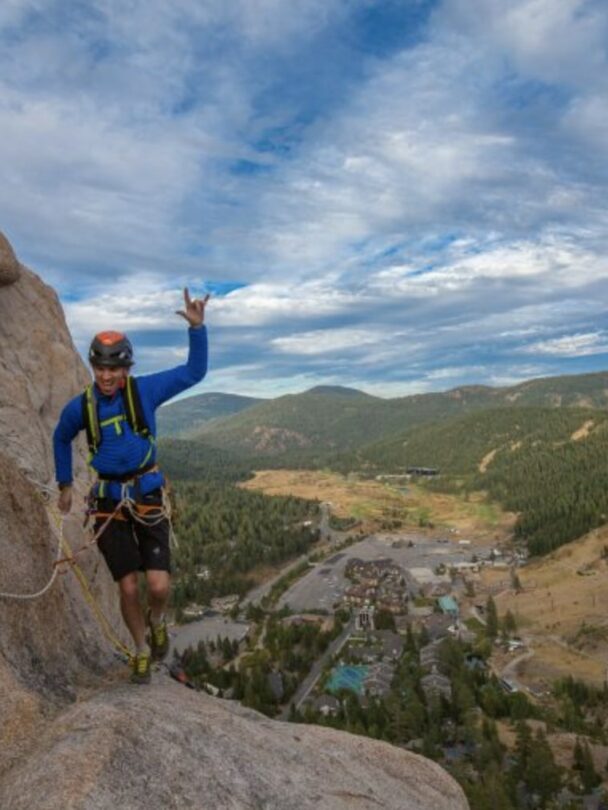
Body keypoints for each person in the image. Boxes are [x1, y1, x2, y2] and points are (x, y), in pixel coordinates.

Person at [53, 288, 209, 683]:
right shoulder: (83, 407)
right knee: (127, 588)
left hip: (146, 495)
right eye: (100, 368)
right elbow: (60, 437)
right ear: (94, 368)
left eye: (114, 368)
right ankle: (141, 650)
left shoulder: (144, 392)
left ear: (126, 368)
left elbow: (194, 373)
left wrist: (197, 329)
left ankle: (158, 621)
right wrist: (65, 484)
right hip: (108, 502)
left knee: (158, 585)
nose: (106, 376)